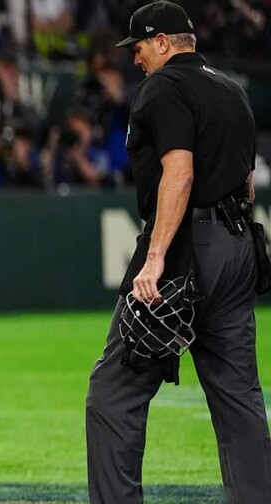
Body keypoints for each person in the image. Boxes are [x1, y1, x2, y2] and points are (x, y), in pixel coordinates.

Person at [85, 3, 271, 503]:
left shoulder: (165, 87)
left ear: (164, 42)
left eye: (141, 47)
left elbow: (180, 172)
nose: (137, 58)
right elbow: (249, 182)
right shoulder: (232, 90)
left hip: (188, 248)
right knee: (239, 399)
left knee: (113, 394)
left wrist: (156, 257)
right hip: (238, 248)